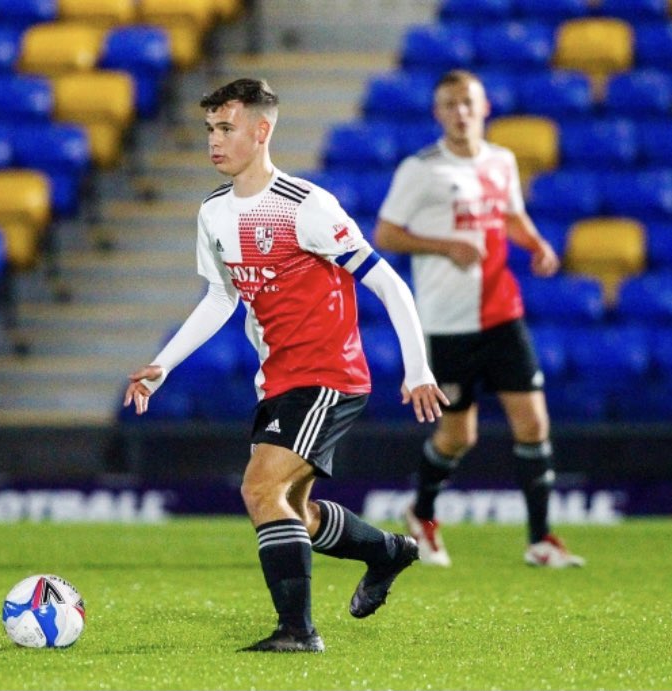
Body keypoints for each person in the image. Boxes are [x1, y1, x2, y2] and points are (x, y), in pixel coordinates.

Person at [123, 78, 450, 653]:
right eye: (209, 129)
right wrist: (164, 364)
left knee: (259, 488)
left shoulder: (306, 206)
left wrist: (417, 368)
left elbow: (389, 284)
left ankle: (297, 631)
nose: (214, 141)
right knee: (293, 509)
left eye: (226, 128)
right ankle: (387, 551)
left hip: (329, 376)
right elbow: (221, 297)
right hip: (276, 379)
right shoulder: (214, 212)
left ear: (261, 130)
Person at [373, 69, 585, 569]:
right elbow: (386, 234)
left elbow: (509, 215)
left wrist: (536, 243)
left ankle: (540, 540)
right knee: (458, 436)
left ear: (485, 107)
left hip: (502, 313)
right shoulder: (421, 169)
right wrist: (445, 245)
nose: (461, 112)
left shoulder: (501, 160)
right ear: (437, 113)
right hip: (447, 323)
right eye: (450, 104)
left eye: (468, 102)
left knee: (533, 423)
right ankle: (421, 513)